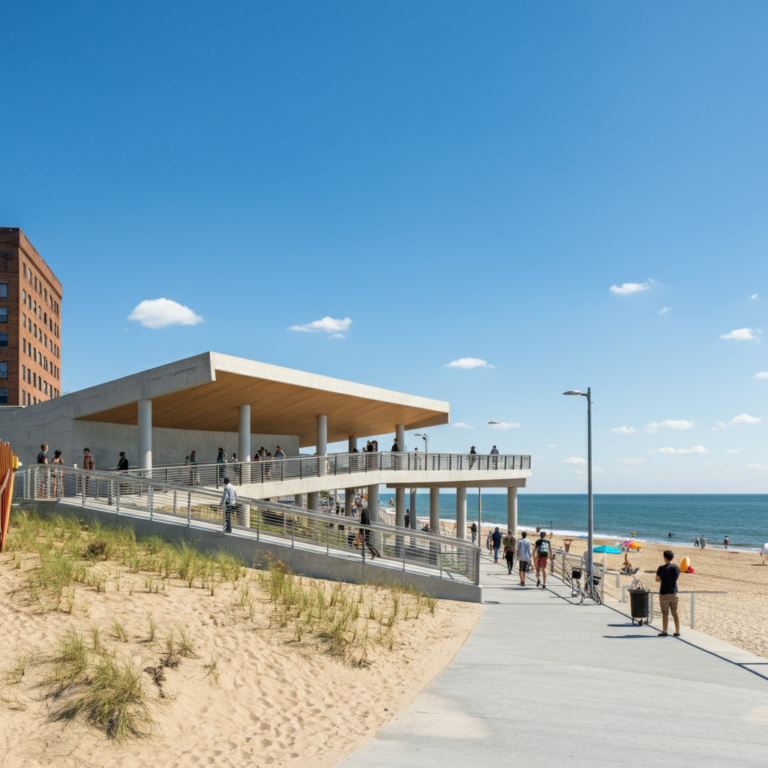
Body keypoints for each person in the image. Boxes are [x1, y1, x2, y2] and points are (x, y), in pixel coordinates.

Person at [655, 549, 681, 637]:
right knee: (675, 613)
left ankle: (665, 631)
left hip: (664, 593)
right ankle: (677, 631)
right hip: (674, 593)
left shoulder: (661, 568)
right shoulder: (676, 567)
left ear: (665, 558)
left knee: (665, 613)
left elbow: (657, 579)